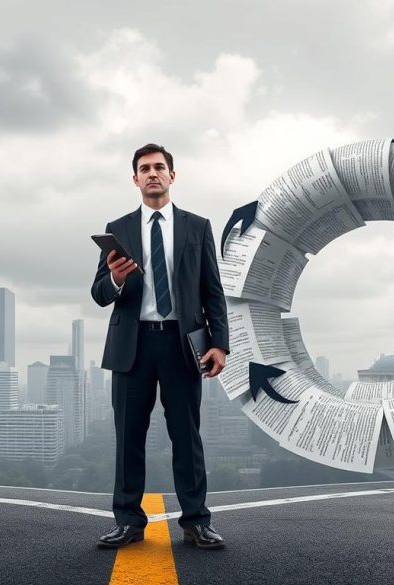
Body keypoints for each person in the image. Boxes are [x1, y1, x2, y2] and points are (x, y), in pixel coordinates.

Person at [90, 143, 230, 550]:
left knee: (187, 437)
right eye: (144, 169)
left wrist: (219, 343)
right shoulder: (118, 229)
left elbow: (213, 291)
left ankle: (196, 522)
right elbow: (99, 293)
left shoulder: (197, 226)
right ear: (135, 179)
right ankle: (128, 521)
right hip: (131, 347)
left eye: (159, 167)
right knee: (128, 437)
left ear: (172, 174)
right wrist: (115, 279)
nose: (152, 173)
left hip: (182, 345)